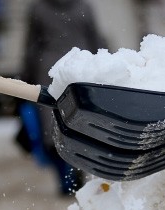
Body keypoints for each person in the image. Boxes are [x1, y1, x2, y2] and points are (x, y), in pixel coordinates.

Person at [20, 0, 106, 196]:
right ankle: (78, 171)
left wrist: (26, 75)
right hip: (80, 69)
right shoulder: (84, 8)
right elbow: (96, 41)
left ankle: (64, 180)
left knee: (52, 126)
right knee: (80, 123)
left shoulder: (38, 9)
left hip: (49, 70)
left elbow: (31, 46)